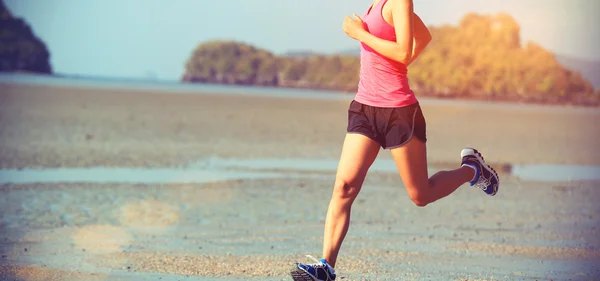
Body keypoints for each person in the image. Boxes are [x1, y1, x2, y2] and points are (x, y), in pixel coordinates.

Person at [290, 0, 499, 280]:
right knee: (344, 187)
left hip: (399, 112)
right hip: (364, 107)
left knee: (420, 195)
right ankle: (326, 267)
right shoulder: (378, 3)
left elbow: (403, 50)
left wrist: (359, 33)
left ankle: (472, 169)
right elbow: (422, 36)